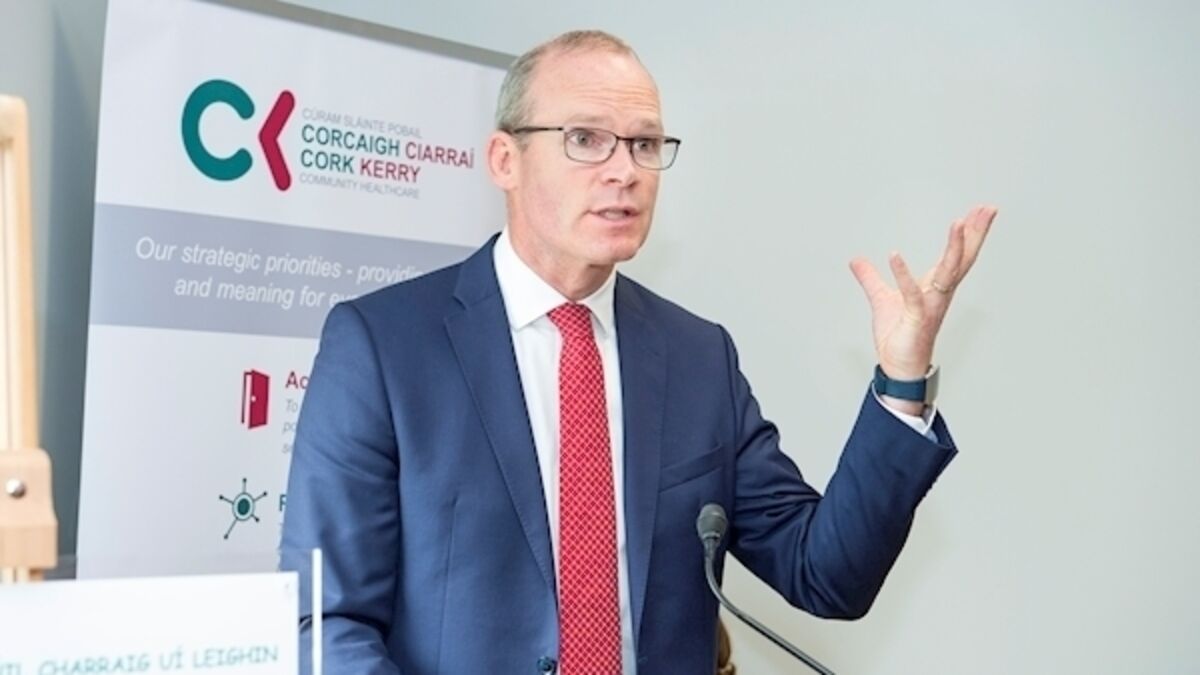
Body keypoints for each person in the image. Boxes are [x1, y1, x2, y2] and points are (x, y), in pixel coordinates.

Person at [280, 29, 996, 674]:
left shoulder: (698, 358)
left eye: (645, 145)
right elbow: (325, 621)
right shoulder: (384, 346)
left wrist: (902, 380)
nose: (624, 170)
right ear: (505, 159)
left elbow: (826, 575)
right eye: (586, 139)